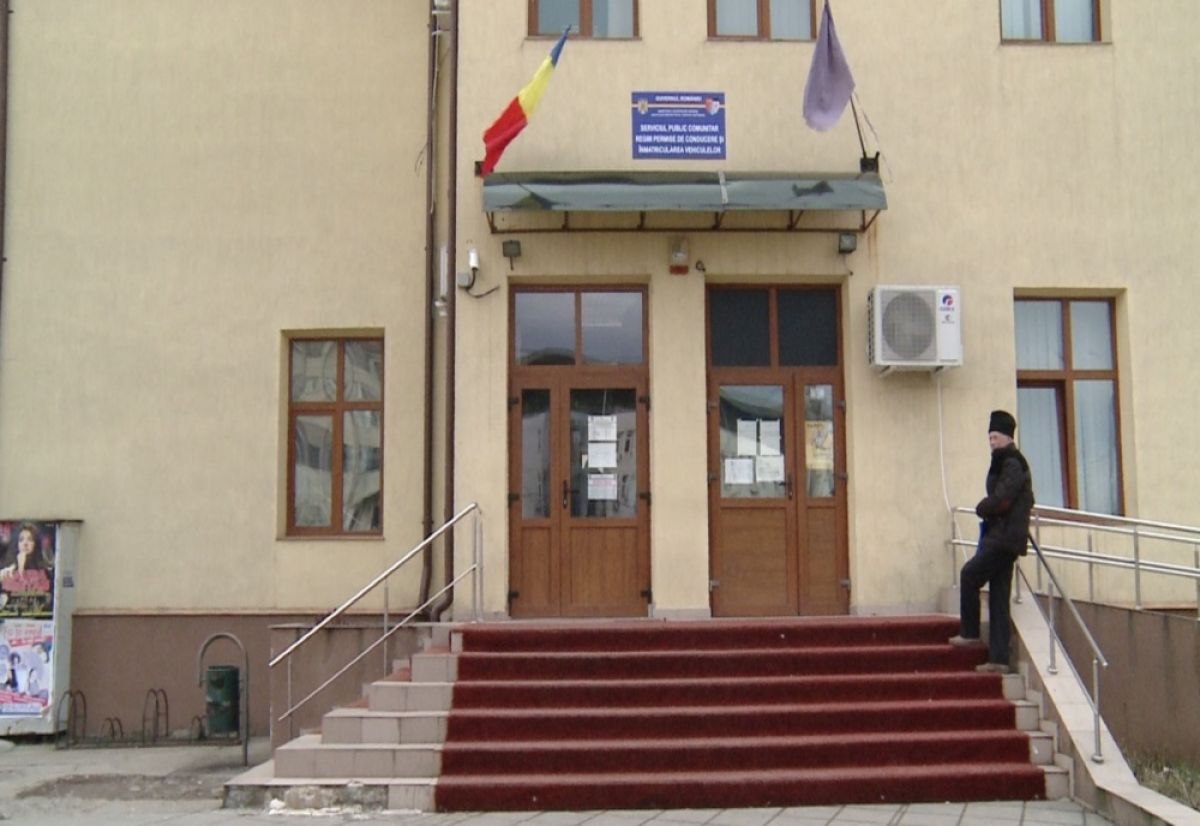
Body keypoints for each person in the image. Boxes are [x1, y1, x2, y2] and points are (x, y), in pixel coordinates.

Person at [949, 409, 1035, 673]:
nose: (992, 442)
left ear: (1008, 437)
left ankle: (970, 632)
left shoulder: (1011, 463)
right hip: (1005, 537)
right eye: (990, 438)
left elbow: (1003, 498)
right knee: (998, 597)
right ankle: (999, 659)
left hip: (1003, 537)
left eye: (996, 437)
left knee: (969, 575)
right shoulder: (1006, 462)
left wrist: (983, 507)